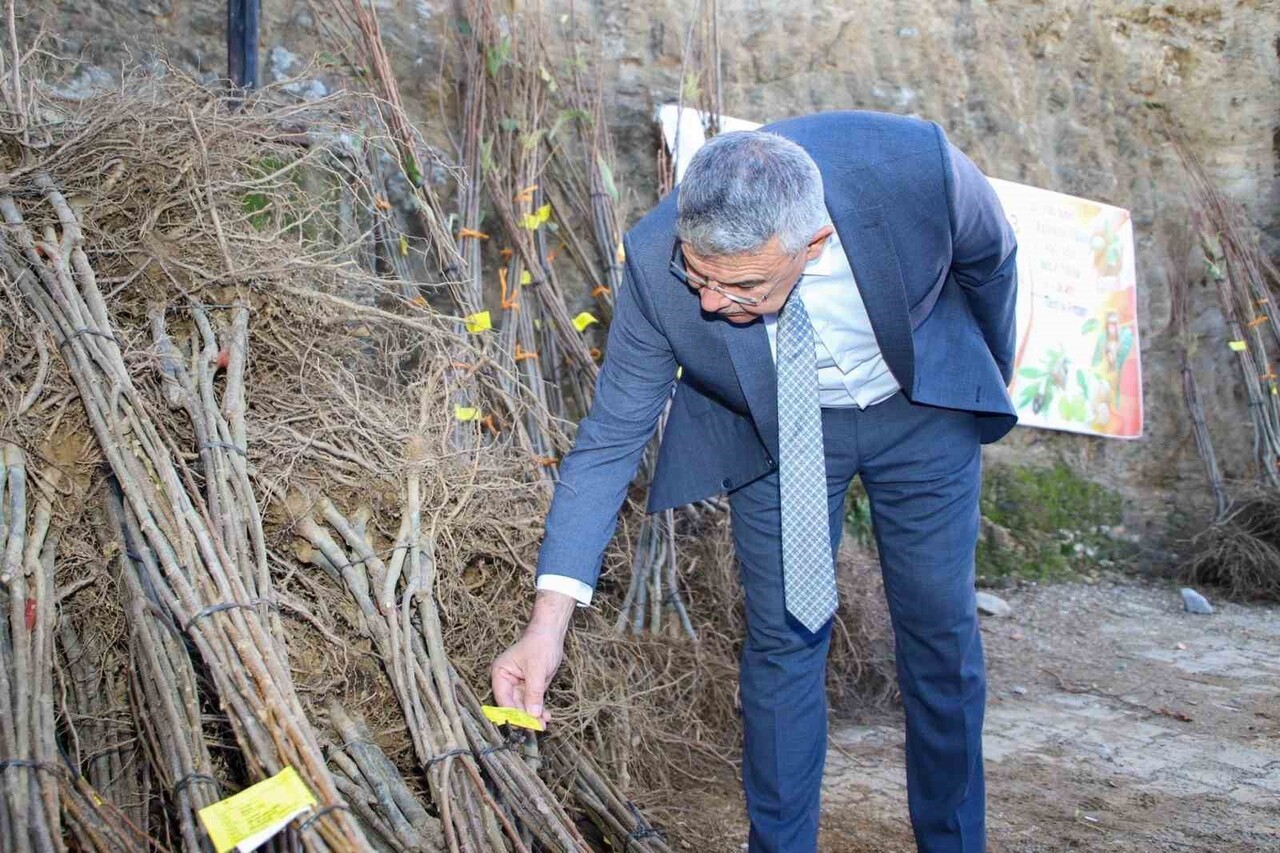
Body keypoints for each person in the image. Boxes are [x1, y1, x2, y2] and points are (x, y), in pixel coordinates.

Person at [491, 110, 1018, 853]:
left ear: (814, 243)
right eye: (699, 276)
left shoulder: (915, 169)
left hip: (920, 407)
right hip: (778, 426)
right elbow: (610, 439)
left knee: (939, 631)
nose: (709, 304)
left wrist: (979, 379)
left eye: (739, 286)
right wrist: (546, 627)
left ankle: (953, 839)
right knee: (784, 637)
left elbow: (991, 263)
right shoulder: (653, 261)